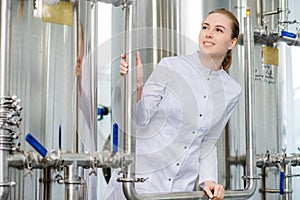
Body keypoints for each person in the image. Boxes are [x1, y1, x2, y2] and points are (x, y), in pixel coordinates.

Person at [104, 8, 241, 200]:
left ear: (232, 42)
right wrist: (137, 84)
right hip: (141, 180)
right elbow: (141, 120)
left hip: (181, 188)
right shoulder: (171, 66)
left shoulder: (232, 89)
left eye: (219, 30)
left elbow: (209, 141)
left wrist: (208, 180)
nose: (209, 34)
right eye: (205, 27)